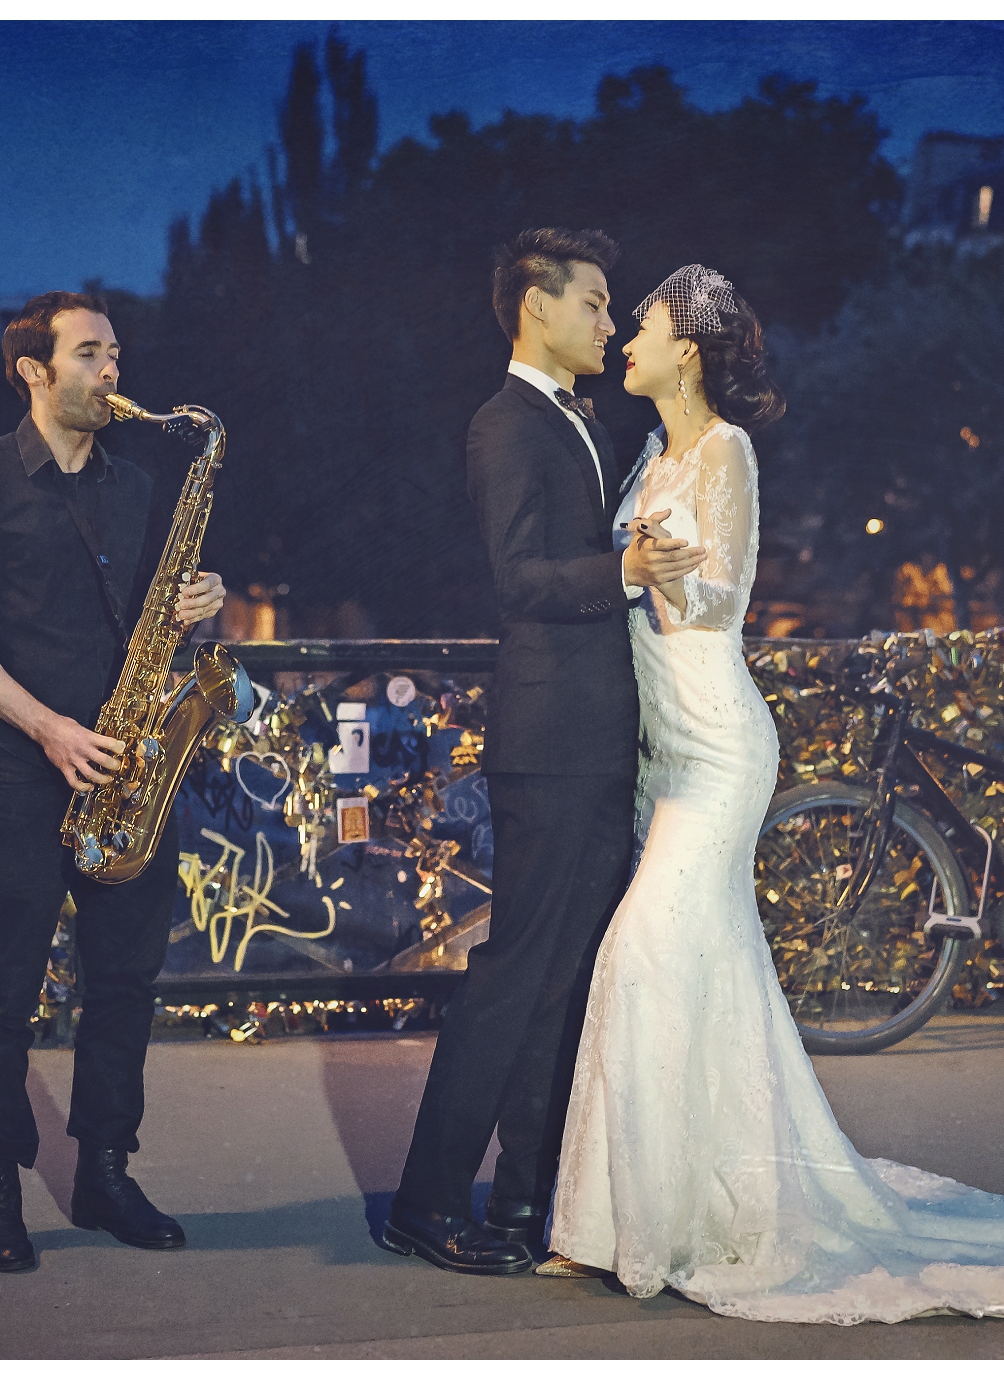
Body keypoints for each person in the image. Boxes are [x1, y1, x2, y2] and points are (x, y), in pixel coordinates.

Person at [537, 264, 1004, 1321]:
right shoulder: (648, 450)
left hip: (722, 750)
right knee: (707, 970)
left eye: (637, 322)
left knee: (641, 951)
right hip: (665, 753)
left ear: (683, 348)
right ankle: (636, 1218)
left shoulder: (723, 450)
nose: (625, 338)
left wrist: (661, 562)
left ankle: (647, 1224)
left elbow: (719, 596)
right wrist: (636, 560)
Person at [382, 229, 707, 1275]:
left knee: (564, 975)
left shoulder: (574, 421)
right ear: (536, 304)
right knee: (514, 974)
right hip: (551, 741)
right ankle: (425, 1203)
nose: (609, 325)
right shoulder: (504, 424)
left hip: (592, 737)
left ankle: (526, 1203)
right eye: (597, 304)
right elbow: (519, 579)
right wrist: (623, 566)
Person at [0, 290, 226, 1274]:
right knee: (5, 989)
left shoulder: (136, 489)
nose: (111, 372)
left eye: (115, 353)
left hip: (127, 766)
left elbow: (146, 626)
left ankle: (103, 1171)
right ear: (32, 371)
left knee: (125, 985)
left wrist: (194, 607)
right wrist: (47, 727)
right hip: (21, 763)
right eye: (89, 354)